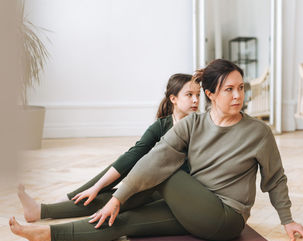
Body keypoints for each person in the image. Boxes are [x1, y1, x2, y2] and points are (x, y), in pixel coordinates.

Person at [10, 59, 303, 241]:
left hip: (225, 218)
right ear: (210, 94)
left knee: (162, 172)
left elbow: (275, 179)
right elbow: (154, 156)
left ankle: (48, 211)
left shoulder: (257, 132)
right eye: (228, 89)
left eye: (241, 88)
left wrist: (287, 220)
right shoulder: (193, 124)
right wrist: (118, 201)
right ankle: (46, 235)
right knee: (125, 220)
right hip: (192, 208)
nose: (238, 96)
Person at [16, 73, 200, 223]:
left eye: (198, 95)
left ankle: (53, 206)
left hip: (179, 189)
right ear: (173, 98)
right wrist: (96, 187)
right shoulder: (161, 126)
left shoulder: (200, 125)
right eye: (189, 95)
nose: (195, 100)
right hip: (157, 185)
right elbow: (131, 157)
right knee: (125, 174)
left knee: (127, 195)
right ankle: (43, 209)